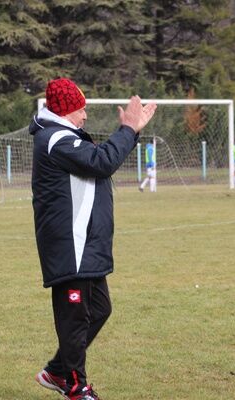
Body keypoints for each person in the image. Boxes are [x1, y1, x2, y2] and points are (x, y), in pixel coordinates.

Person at [29, 77, 156, 400]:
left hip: (84, 246)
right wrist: (127, 129)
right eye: (80, 109)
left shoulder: (63, 136)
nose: (85, 116)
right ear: (66, 111)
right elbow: (102, 162)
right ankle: (75, 386)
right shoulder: (55, 138)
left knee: (99, 309)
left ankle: (57, 371)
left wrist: (131, 132)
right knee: (75, 319)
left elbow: (99, 159)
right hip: (69, 246)